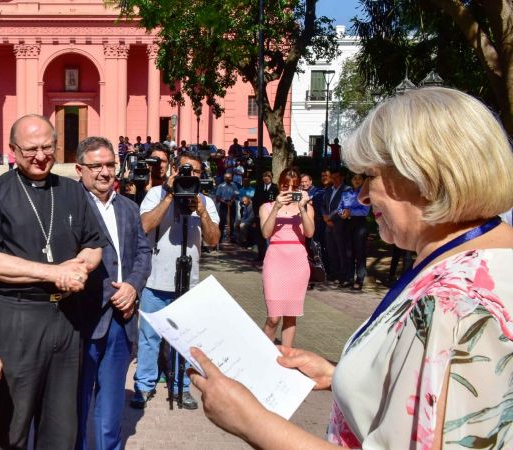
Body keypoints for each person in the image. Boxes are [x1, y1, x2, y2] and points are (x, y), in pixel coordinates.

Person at [189, 87, 513, 449]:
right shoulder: (470, 262)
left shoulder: (456, 303)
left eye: (369, 178)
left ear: (423, 176)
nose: (360, 196)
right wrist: (338, 375)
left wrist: (251, 421)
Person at [0, 114, 105, 449]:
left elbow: (94, 243)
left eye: (48, 147)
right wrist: (55, 273)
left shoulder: (72, 190)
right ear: (13, 150)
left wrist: (81, 267)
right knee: (12, 424)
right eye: (31, 149)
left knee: (62, 427)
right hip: (16, 318)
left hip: (65, 320)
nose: (41, 156)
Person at [74, 136, 151, 450]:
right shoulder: (70, 205)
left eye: (110, 165)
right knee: (77, 402)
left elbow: (144, 253)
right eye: (96, 166)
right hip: (83, 319)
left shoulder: (129, 208)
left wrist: (133, 285)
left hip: (122, 319)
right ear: (80, 169)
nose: (105, 172)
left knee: (112, 402)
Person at [132, 151, 220, 409]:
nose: (188, 175)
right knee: (149, 338)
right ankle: (144, 386)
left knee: (184, 341)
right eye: (183, 169)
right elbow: (144, 226)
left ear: (200, 174)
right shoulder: (155, 194)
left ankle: (182, 387)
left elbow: (213, 240)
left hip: (188, 284)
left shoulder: (205, 200)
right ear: (173, 169)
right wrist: (170, 195)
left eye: (193, 171)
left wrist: (201, 211)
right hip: (156, 282)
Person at [259, 168, 314, 347]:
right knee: (273, 317)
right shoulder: (266, 207)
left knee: (290, 316)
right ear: (278, 185)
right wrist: (276, 207)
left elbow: (310, 232)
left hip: (297, 261)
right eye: (285, 186)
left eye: (294, 187)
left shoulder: (306, 207)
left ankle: (285, 359)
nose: (290, 191)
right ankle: (263, 355)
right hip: (275, 260)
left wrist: (303, 208)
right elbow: (266, 233)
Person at [338, 173, 371, 290]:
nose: (357, 180)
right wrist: (343, 214)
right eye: (354, 178)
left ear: (363, 181)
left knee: (360, 252)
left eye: (359, 178)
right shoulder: (346, 193)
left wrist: (350, 212)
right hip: (347, 223)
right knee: (348, 252)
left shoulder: (365, 194)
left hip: (360, 224)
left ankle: (360, 279)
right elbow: (340, 208)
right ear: (351, 180)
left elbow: (365, 211)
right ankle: (349, 278)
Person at [321, 169, 350, 285]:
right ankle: (334, 273)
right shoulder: (329, 190)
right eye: (333, 177)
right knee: (331, 249)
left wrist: (329, 218)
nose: (335, 179)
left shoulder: (346, 189)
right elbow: (323, 205)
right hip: (328, 224)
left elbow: (341, 206)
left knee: (341, 250)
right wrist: (324, 216)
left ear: (342, 178)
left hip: (339, 224)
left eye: (337, 177)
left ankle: (342, 275)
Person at [252, 171, 279, 264]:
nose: (266, 178)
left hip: (271, 216)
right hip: (259, 216)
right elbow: (255, 202)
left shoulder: (275, 188)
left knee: (269, 237)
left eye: (268, 176)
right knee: (260, 236)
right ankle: (261, 255)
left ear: (271, 177)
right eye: (264, 176)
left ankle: (270, 256)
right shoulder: (259, 187)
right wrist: (257, 214)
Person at [215, 172, 239, 243]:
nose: (228, 179)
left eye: (229, 177)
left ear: (231, 178)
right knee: (222, 221)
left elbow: (236, 194)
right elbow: (218, 196)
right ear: (224, 178)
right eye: (226, 177)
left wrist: (231, 201)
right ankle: (220, 238)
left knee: (232, 221)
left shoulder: (234, 185)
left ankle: (232, 238)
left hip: (232, 203)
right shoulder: (221, 186)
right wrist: (225, 202)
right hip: (223, 203)